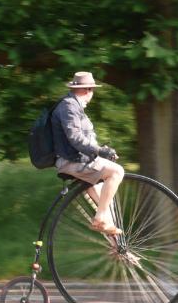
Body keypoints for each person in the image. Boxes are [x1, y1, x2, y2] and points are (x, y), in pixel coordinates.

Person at [52, 71, 125, 235]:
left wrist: (99, 151)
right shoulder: (69, 106)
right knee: (117, 171)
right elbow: (75, 138)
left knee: (107, 207)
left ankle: (119, 250)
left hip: (80, 160)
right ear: (88, 90)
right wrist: (99, 151)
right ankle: (99, 218)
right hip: (72, 162)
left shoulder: (74, 106)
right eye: (92, 90)